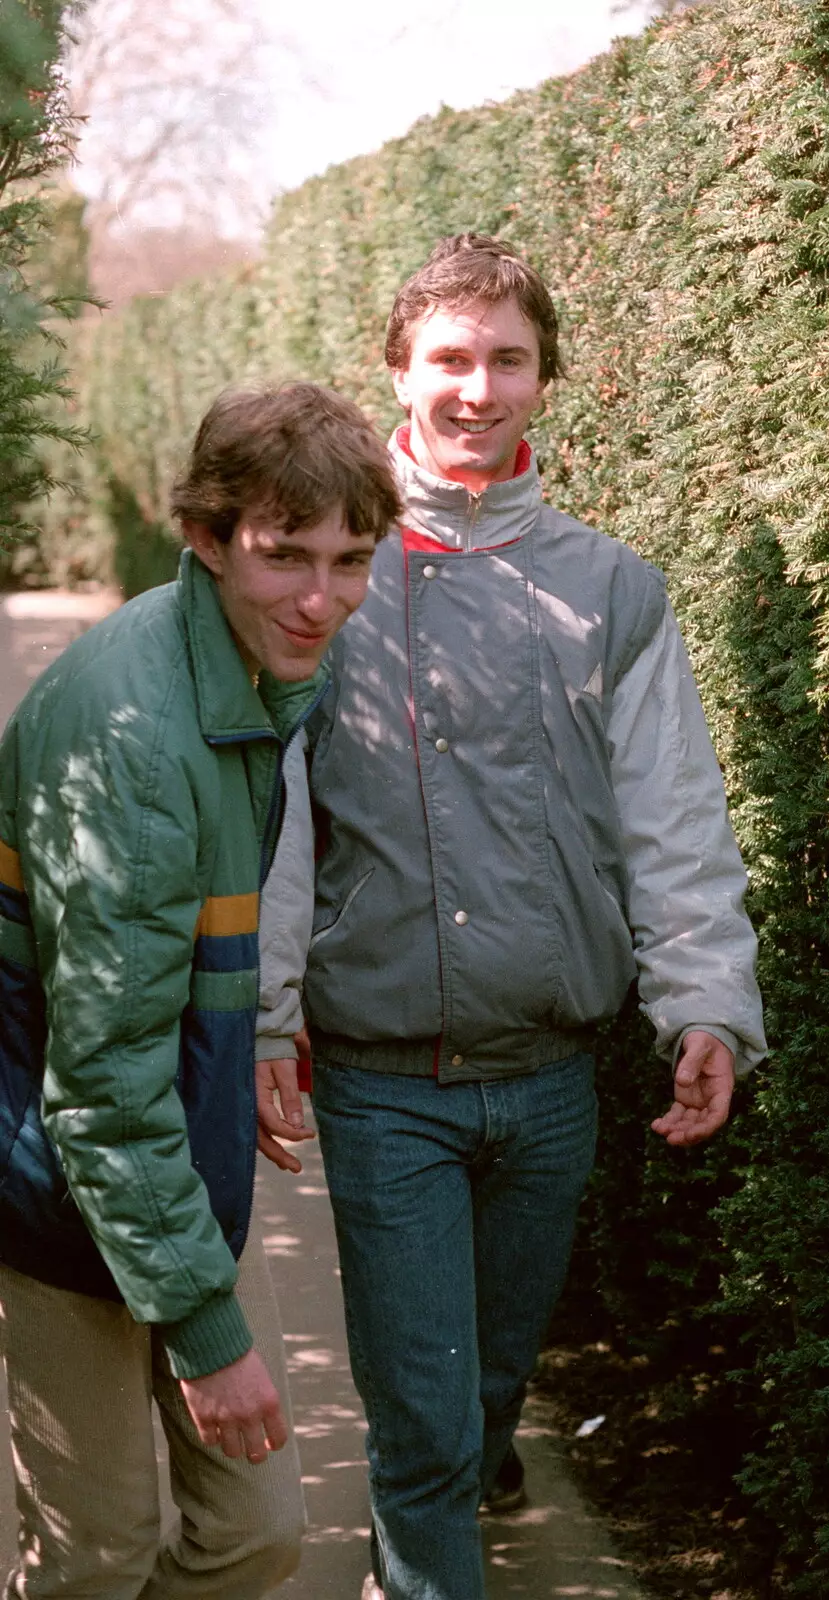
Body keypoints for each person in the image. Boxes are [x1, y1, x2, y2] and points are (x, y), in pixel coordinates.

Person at [255, 236, 767, 1600]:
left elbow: (672, 815)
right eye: (449, 358)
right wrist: (263, 1019)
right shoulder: (322, 582)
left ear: (546, 379)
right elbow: (281, 824)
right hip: (382, 1086)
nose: (476, 389)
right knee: (424, 1427)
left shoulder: (612, 590)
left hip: (549, 1083)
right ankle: (419, 1553)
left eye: (506, 359)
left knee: (483, 1383)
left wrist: (708, 1000)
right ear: (397, 371)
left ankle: (469, 1454)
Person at [0, 381, 401, 1598]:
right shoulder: (134, 736)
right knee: (97, 1551)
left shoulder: (253, 669)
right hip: (55, 1188)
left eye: (351, 558)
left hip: (174, 1164)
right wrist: (208, 1332)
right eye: (285, 557)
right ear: (208, 537)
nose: (322, 598)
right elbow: (106, 1090)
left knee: (256, 1529)